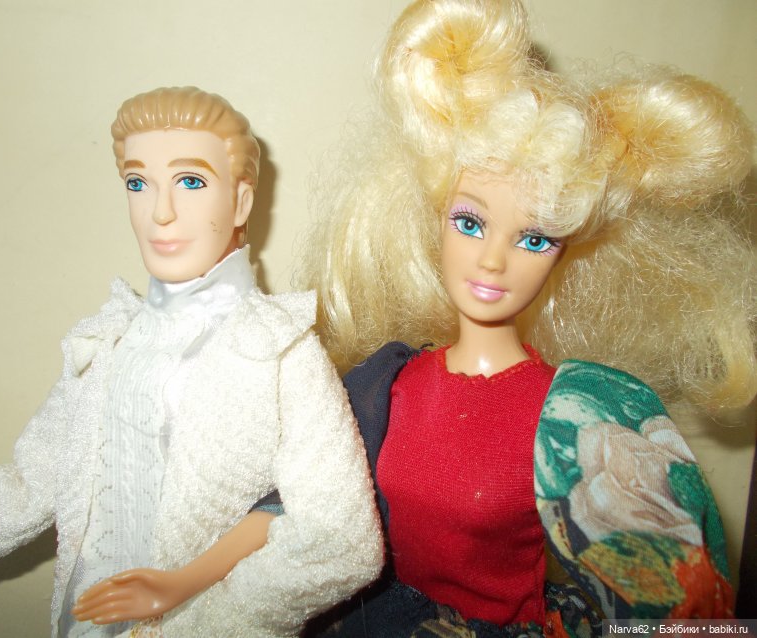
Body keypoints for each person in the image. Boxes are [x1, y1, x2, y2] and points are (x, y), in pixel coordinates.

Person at [301, 1, 756, 635]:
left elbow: (682, 614)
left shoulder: (576, 414)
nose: (493, 261)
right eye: (470, 222)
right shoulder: (387, 381)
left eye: (535, 238)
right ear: (431, 219)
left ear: (568, 256)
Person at [0, 86, 383, 637]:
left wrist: (213, 617)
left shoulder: (279, 350)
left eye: (190, 182)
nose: (160, 212)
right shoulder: (107, 342)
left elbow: (341, 540)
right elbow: (29, 485)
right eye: (138, 184)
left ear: (241, 202)